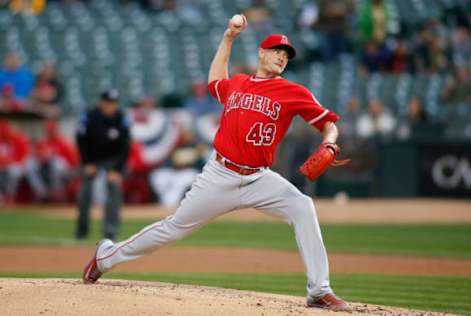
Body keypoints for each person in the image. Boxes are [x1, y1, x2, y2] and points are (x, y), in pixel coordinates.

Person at [82, 16, 349, 311]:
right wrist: (228, 39)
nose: (281, 57)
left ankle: (319, 290)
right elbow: (214, 82)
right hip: (220, 174)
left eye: (285, 55)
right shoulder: (237, 84)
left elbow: (329, 123)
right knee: (173, 228)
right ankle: (105, 258)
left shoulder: (293, 92)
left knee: (302, 207)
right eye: (276, 51)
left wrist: (330, 142)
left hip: (260, 178)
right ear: (261, 52)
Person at [75, 89, 131, 241]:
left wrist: (117, 170)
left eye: (113, 103)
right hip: (92, 158)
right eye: (107, 103)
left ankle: (111, 231)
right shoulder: (90, 116)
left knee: (114, 187)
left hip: (112, 159)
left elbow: (125, 146)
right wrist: (87, 163)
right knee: (85, 191)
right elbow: (81, 141)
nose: (110, 106)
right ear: (102, 102)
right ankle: (81, 231)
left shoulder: (121, 118)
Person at [35, 120, 78, 202]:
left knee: (56, 162)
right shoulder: (43, 143)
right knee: (30, 165)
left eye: (52, 131)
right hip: (44, 170)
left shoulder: (63, 143)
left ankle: (57, 193)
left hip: (64, 172)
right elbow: (37, 157)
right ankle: (42, 192)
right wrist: (43, 159)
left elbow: (73, 161)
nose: (50, 133)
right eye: (49, 131)